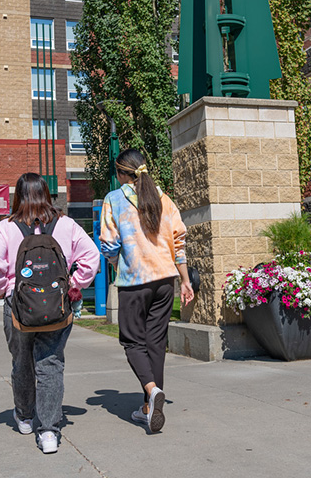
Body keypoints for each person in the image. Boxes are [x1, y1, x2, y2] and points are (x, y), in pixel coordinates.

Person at [0, 172, 100, 454]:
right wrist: (75, 284)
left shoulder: (6, 228)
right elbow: (91, 257)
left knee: (21, 361)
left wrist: (2, 290)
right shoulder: (66, 225)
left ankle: (24, 416)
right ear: (47, 194)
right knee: (51, 364)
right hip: (57, 306)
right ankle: (48, 431)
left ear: (18, 196)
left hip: (18, 307)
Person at [99, 149, 194, 434]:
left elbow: (108, 244)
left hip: (134, 281)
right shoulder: (164, 199)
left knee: (131, 341)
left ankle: (152, 390)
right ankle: (148, 406)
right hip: (166, 281)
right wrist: (186, 280)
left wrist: (119, 263)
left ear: (121, 174)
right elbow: (179, 242)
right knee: (155, 343)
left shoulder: (114, 200)